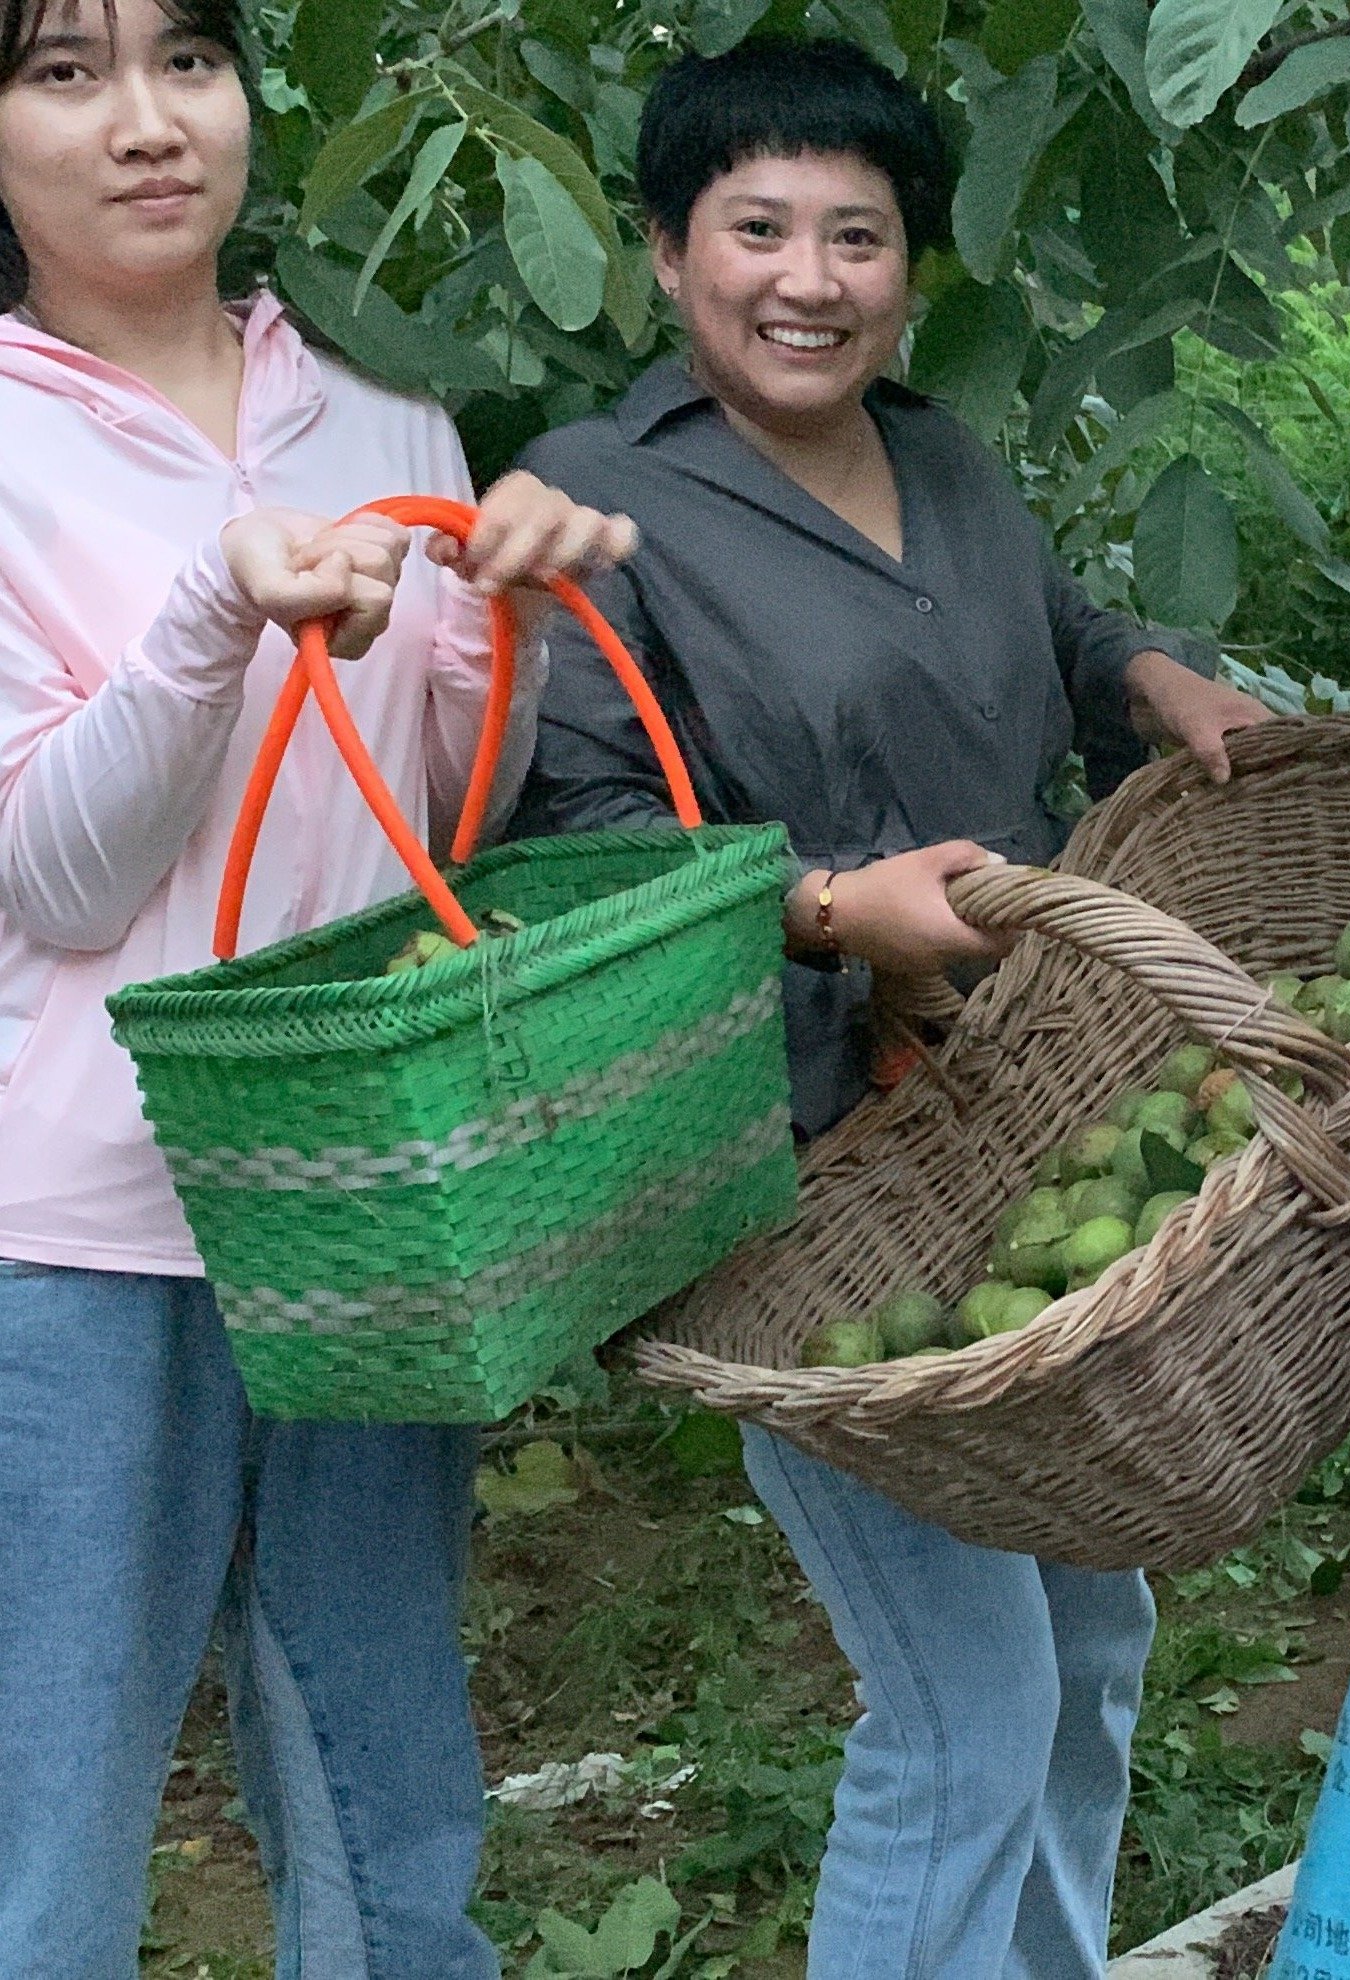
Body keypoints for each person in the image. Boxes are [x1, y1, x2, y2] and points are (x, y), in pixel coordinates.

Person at [505, 39, 1271, 1977]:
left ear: (910, 266)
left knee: (1094, 1643)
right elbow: (571, 845)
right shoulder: (599, 504)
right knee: (966, 1714)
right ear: (669, 255)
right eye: (757, 227)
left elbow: (1044, 622)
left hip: (1016, 1128)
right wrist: (832, 909)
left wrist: (1153, 670)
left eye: (858, 234)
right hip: (797, 1182)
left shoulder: (936, 454)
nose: (809, 277)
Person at [0, 0, 634, 1971]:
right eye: (60, 72)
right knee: (63, 1817)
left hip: (373, 1197)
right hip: (89, 1219)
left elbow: (425, 826)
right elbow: (58, 873)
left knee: (387, 1786)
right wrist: (213, 603)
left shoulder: (385, 422)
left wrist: (499, 629)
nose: (144, 123)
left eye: (185, 60)